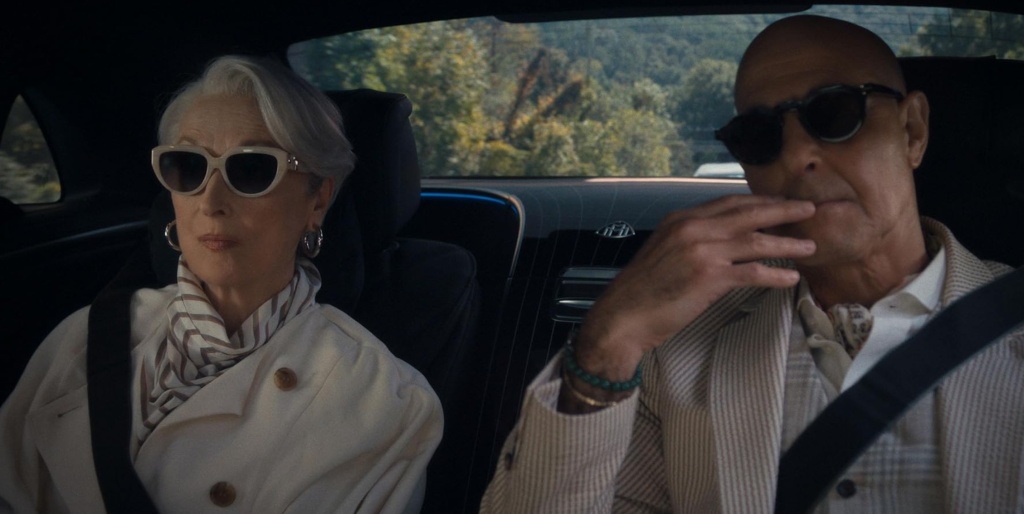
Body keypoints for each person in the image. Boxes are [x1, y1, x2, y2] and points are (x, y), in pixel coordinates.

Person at [481, 14, 1024, 513]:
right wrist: (607, 341)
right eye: (761, 136)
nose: (796, 156)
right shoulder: (672, 351)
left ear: (912, 131)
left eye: (835, 113)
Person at [0, 55, 442, 514]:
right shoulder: (86, 337)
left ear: (318, 200)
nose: (210, 201)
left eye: (251, 169)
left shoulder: (382, 403)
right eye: (188, 166)